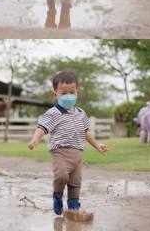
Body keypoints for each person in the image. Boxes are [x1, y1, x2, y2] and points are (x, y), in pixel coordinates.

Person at [28, 70, 108, 215]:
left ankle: (73, 207)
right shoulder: (53, 113)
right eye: (63, 93)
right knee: (61, 176)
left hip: (78, 152)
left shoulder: (81, 113)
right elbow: (42, 127)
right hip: (60, 152)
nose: (68, 96)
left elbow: (86, 132)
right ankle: (57, 195)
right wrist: (35, 138)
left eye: (72, 92)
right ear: (55, 94)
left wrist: (97, 145)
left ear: (77, 92)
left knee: (75, 182)